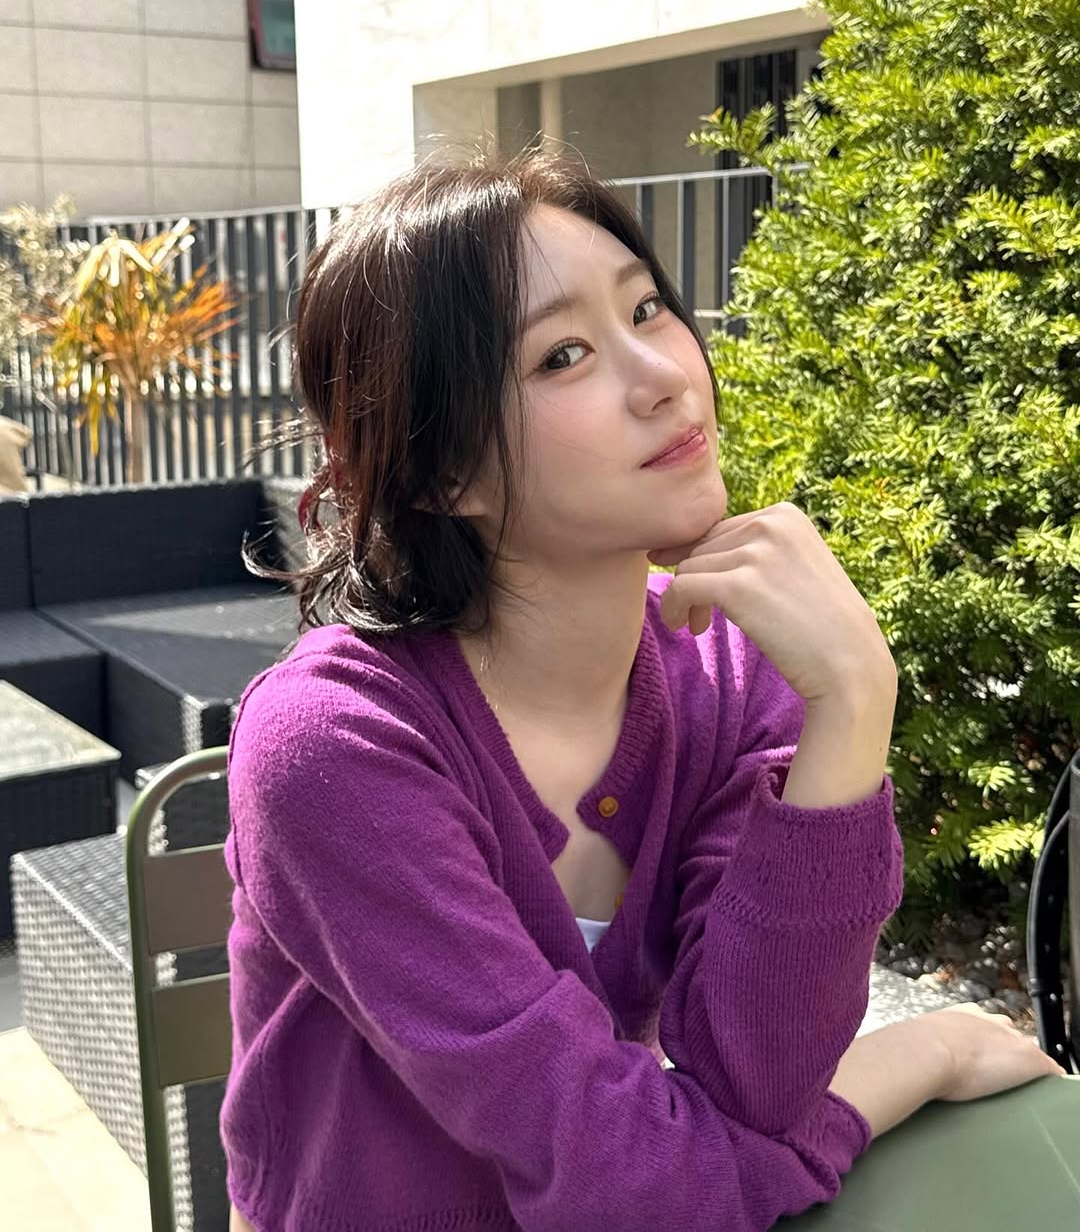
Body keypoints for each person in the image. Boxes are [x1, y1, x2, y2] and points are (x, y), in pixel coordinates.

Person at [222, 148, 1063, 1232]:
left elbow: (752, 1088)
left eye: (647, 308)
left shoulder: (729, 667)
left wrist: (856, 701)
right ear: (440, 472)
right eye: (562, 354)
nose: (664, 372)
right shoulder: (335, 745)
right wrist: (916, 1056)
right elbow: (641, 1192)